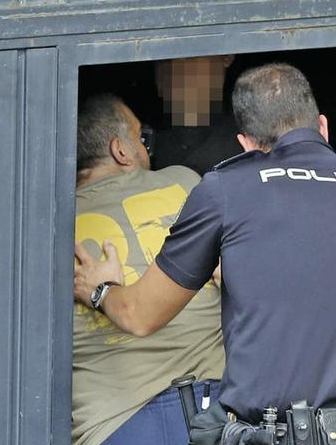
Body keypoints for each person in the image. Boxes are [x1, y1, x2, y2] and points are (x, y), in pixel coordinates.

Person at [74, 65, 336, 443]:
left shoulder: (227, 192)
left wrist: (99, 289)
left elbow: (140, 314)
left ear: (246, 144)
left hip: (290, 429)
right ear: (323, 127)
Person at [71, 94, 225, 445]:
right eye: (140, 138)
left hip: (112, 422)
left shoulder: (47, 222)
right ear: (120, 151)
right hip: (214, 408)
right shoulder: (183, 183)